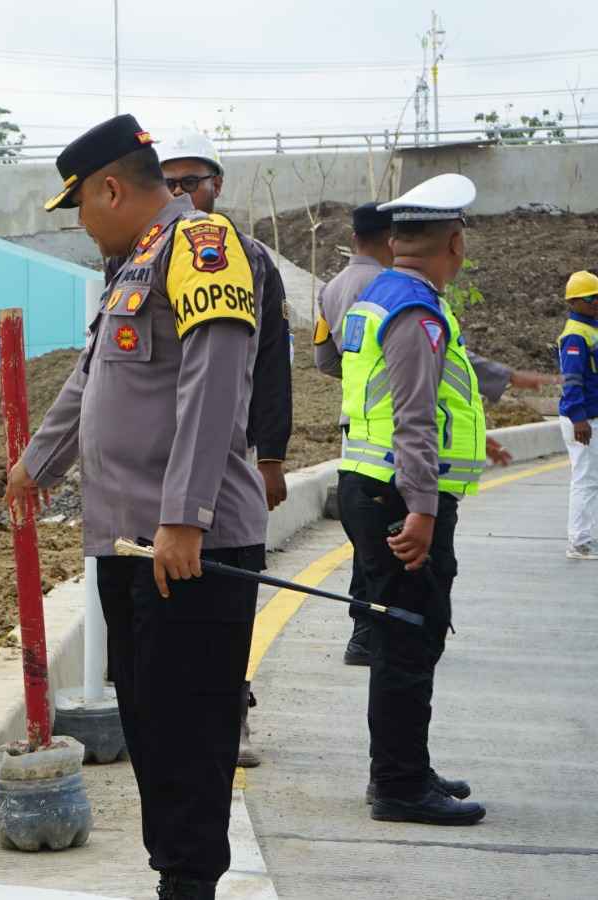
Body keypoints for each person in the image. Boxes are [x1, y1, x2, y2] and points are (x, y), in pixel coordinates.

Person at [7, 114, 266, 900]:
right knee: (151, 726)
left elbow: (213, 378)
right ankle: (175, 878)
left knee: (189, 731)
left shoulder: (200, 248)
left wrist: (184, 516)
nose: (81, 225)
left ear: (111, 188)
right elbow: (93, 379)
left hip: (189, 544)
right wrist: (34, 464)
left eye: (80, 206)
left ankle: (189, 884)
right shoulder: (134, 265)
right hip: (127, 544)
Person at [315, 203, 550, 665]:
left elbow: (327, 361)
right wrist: (422, 504)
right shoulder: (403, 294)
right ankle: (368, 638)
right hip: (398, 458)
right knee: (404, 634)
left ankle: (366, 635)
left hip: (364, 444)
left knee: (373, 573)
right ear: (389, 240)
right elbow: (417, 395)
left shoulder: (335, 290)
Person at [336, 173, 487, 826]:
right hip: (398, 497)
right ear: (454, 243)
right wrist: (422, 507)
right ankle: (398, 786)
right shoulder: (415, 310)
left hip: (375, 488)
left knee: (410, 638)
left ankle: (405, 767)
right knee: (407, 639)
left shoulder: (381, 295)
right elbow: (413, 418)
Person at [143, 129, 291, 769]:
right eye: (169, 183)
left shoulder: (250, 259)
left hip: (224, 464)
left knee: (226, 607)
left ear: (216, 185)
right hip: (157, 468)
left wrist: (272, 457)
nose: (180, 194)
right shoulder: (141, 252)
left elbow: (271, 367)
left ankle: (234, 714)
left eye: (191, 182)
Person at [556, 270, 598, 559]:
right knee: (584, 478)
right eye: (591, 298)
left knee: (591, 478)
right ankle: (579, 542)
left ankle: (586, 536)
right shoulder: (575, 335)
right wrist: (578, 417)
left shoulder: (591, 328)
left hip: (591, 414)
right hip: (582, 418)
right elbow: (571, 380)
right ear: (574, 302)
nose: (596, 302)